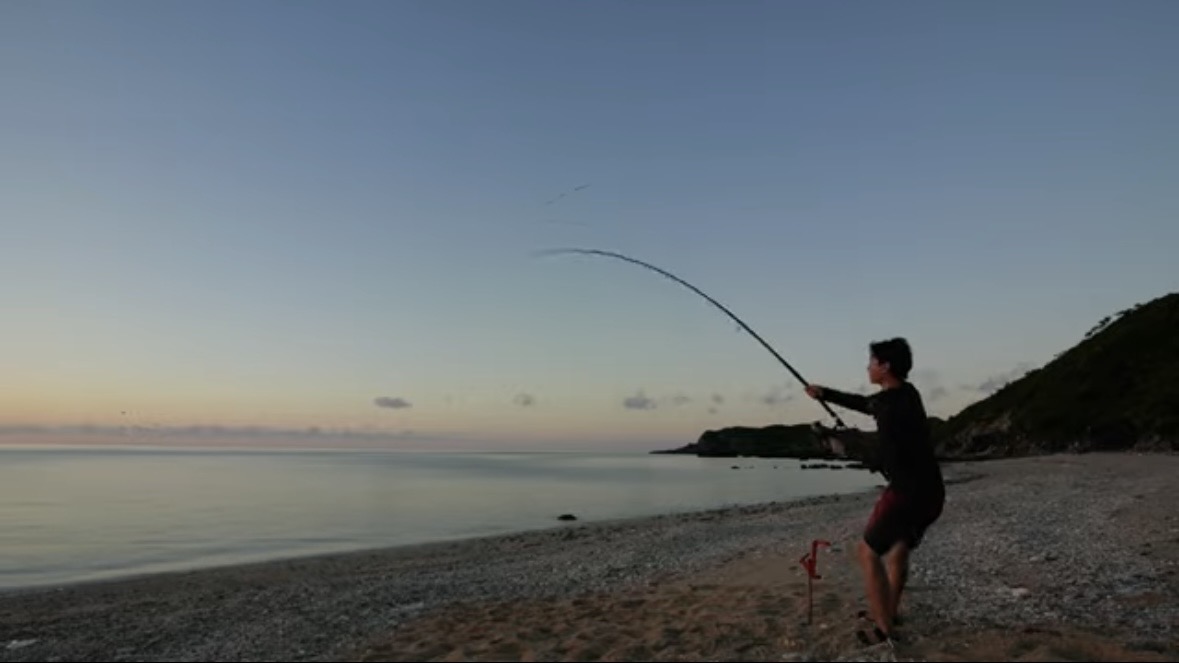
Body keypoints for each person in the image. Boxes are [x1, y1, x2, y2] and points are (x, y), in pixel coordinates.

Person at [804, 337, 944, 646]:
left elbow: (884, 454)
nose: (868, 367)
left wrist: (839, 443)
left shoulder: (888, 407)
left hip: (906, 493)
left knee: (867, 553)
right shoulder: (908, 393)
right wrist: (825, 394)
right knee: (898, 548)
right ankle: (889, 612)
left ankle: (883, 630)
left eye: (872, 362)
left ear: (885, 366)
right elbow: (867, 404)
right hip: (932, 491)